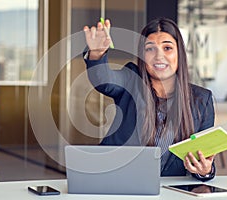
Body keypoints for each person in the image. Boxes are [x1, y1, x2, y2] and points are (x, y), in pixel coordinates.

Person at [83, 17, 215, 181]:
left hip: (169, 189)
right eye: (150, 49)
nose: (159, 56)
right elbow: (104, 80)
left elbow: (205, 157)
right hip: (118, 181)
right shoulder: (131, 79)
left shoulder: (202, 99)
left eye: (167, 48)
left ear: (179, 53)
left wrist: (204, 170)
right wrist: (96, 54)